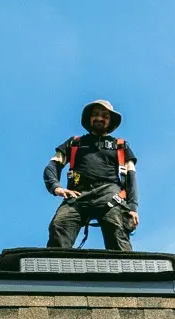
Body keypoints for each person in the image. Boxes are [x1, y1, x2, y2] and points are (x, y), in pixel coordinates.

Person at [43, 99, 139, 250]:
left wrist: (132, 208)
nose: (100, 118)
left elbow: (131, 179)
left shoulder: (120, 145)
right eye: (95, 114)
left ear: (110, 121)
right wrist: (57, 188)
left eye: (105, 116)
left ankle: (125, 271)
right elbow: (52, 166)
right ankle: (56, 270)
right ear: (89, 118)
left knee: (118, 230)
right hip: (77, 194)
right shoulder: (74, 143)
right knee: (59, 225)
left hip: (111, 194)